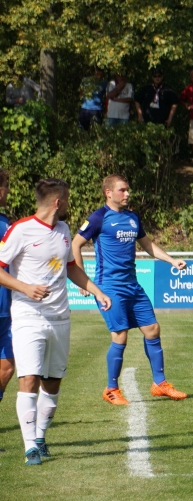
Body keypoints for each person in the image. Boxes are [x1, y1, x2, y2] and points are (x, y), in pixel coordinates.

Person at [0, 179, 112, 465]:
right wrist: (24, 287)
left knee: (52, 382)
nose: (69, 203)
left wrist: (97, 291)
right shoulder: (20, 229)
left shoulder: (63, 231)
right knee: (29, 377)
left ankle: (40, 437)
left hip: (60, 318)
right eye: (68, 198)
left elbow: (71, 268)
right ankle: (30, 448)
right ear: (58, 202)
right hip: (28, 316)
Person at [72, 174, 189, 405]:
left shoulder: (133, 217)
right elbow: (76, 244)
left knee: (153, 329)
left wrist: (172, 260)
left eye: (128, 190)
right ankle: (111, 389)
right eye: (122, 190)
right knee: (120, 335)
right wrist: (83, 281)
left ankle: (159, 383)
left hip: (133, 286)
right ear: (108, 193)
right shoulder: (99, 217)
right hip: (109, 287)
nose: (127, 194)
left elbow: (147, 245)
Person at [0, 169, 12, 407]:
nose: (8, 191)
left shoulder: (5, 222)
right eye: (5, 186)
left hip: (7, 308)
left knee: (8, 366)